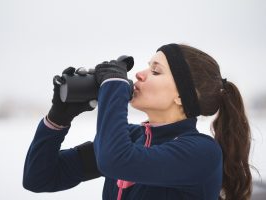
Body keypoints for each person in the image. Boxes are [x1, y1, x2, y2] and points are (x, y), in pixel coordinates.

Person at [22, 43, 252, 200]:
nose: (140, 74)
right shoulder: (131, 139)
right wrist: (58, 119)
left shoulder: (201, 152)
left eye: (155, 71)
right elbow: (40, 178)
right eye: (147, 66)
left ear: (183, 95)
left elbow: (116, 160)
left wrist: (113, 86)